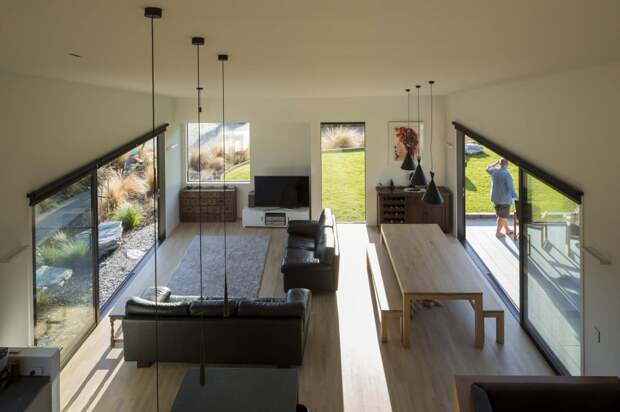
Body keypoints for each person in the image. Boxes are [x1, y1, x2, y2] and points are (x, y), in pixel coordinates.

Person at [486, 158, 517, 238]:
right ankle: (498, 233)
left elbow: (487, 168)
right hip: (504, 200)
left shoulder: (494, 171)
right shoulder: (507, 175)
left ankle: (507, 229)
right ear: (507, 164)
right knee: (502, 216)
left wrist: (496, 163)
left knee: (501, 215)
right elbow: (510, 188)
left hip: (495, 198)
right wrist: (515, 197)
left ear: (499, 164)